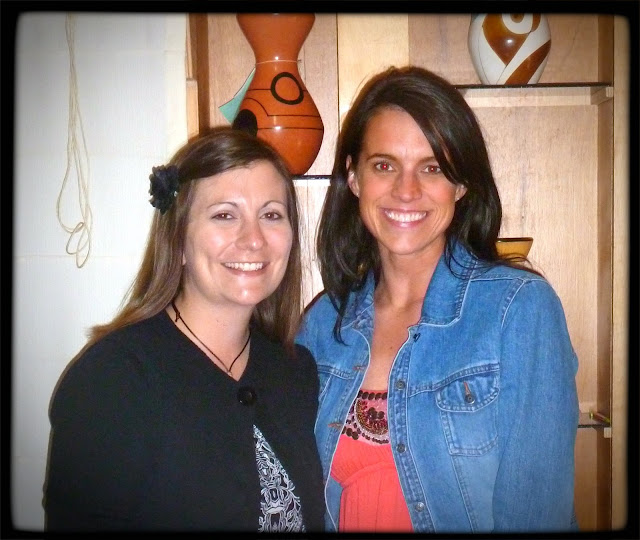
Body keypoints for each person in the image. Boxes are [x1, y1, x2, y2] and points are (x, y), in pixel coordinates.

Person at [295, 66, 579, 533]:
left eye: (432, 168)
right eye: (384, 165)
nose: (406, 191)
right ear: (354, 177)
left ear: (461, 185)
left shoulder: (519, 312)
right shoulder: (324, 325)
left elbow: (536, 512)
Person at [43, 127, 324, 532]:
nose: (254, 239)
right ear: (178, 240)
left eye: (271, 215)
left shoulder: (296, 372)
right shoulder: (114, 379)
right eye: (225, 215)